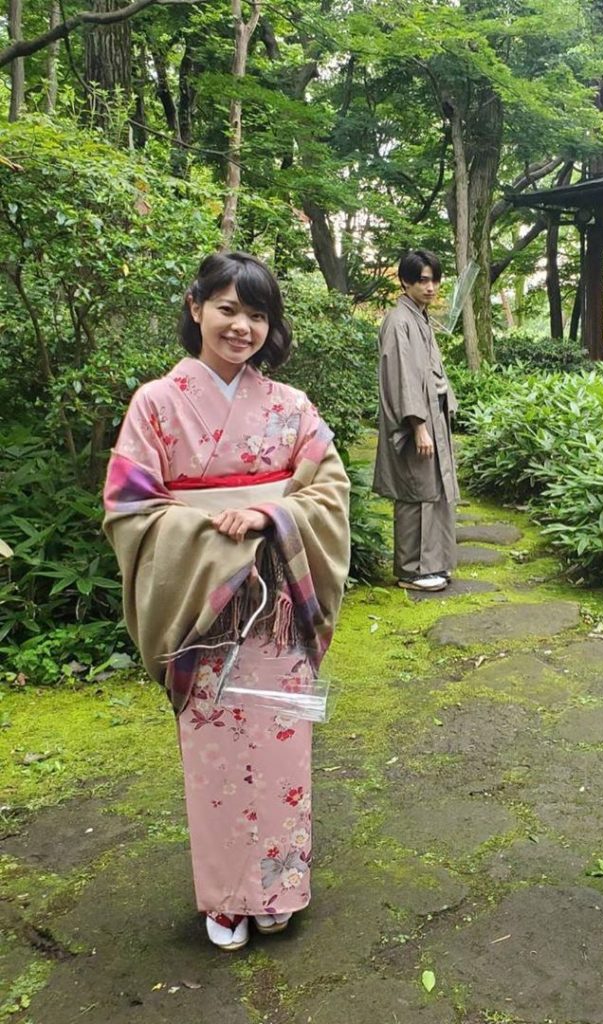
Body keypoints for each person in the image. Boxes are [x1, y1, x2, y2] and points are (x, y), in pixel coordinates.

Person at [103, 252, 350, 950]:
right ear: (195, 307)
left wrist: (272, 518)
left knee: (280, 745)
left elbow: (328, 492)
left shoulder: (291, 407)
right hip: (205, 609)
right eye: (228, 309)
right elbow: (129, 508)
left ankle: (276, 886)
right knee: (212, 753)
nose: (242, 326)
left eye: (257, 314)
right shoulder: (155, 404)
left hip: (275, 609)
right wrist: (213, 530)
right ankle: (225, 896)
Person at [372, 249, 459, 592]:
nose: (431, 287)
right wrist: (418, 425)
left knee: (434, 491)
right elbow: (401, 377)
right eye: (422, 280)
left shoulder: (420, 317)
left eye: (434, 279)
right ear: (405, 281)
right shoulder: (398, 321)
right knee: (415, 494)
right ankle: (412, 570)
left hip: (432, 418)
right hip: (414, 425)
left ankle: (435, 563)